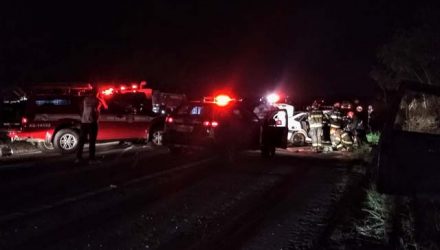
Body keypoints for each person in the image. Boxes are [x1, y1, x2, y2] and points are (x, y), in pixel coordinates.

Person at [76, 86, 108, 164]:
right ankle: (91, 159)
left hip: (84, 122)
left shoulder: (85, 99)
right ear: (97, 92)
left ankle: (78, 158)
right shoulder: (97, 100)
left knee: (81, 141)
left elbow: (81, 109)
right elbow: (106, 107)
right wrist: (101, 98)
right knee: (92, 141)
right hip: (92, 123)